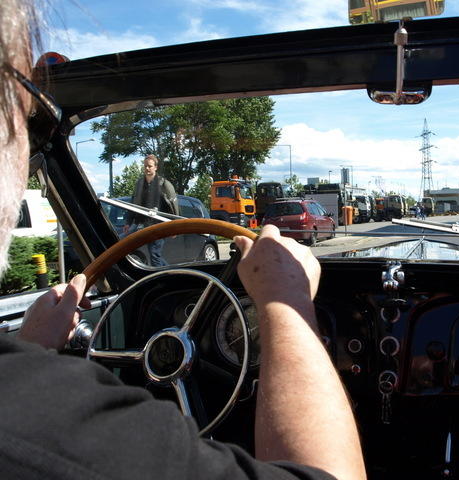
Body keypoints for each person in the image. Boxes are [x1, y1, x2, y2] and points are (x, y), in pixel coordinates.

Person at [0, 2, 365, 479]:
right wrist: (285, 302)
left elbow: (168, 213)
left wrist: (32, 351)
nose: (28, 147)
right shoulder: (83, 444)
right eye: (30, 120)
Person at [123, 154, 179, 266]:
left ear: (155, 167)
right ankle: (170, 272)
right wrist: (128, 223)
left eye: (149, 166)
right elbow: (133, 204)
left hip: (159, 224)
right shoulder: (139, 184)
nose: (147, 168)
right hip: (142, 224)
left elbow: (174, 207)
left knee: (154, 254)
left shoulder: (164, 184)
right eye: (145, 166)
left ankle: (164, 278)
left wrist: (175, 227)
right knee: (124, 246)